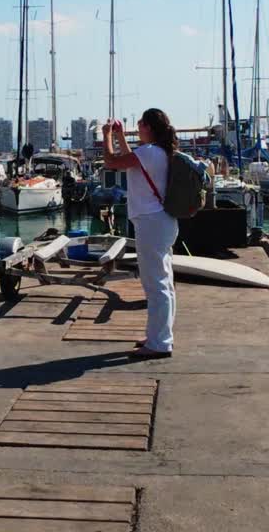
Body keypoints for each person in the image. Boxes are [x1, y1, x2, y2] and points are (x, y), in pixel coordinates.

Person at [102, 109, 178, 359]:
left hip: (150, 222)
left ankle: (159, 343)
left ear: (149, 127)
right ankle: (159, 335)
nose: (138, 125)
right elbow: (130, 158)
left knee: (155, 284)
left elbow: (112, 163)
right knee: (164, 281)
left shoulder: (149, 152)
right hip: (163, 220)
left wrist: (106, 137)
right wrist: (120, 137)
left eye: (141, 123)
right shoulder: (159, 152)